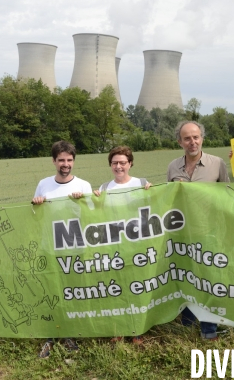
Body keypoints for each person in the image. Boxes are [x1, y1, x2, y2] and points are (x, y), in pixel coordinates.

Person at [166, 121, 229, 340]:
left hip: (209, 232)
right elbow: (168, 200)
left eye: (196, 137)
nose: (192, 142)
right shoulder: (173, 167)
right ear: (179, 141)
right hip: (182, 233)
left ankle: (209, 329)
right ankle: (186, 324)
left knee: (208, 279)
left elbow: (226, 197)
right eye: (187, 138)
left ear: (202, 138)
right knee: (186, 276)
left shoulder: (217, 163)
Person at [33, 140, 92, 357]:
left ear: (73, 162)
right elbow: (35, 216)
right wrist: (36, 204)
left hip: (76, 248)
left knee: (73, 291)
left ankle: (70, 334)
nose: (65, 164)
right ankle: (50, 335)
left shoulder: (83, 185)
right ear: (53, 161)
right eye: (61, 160)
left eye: (69, 160)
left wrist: (82, 203)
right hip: (50, 248)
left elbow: (93, 217)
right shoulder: (43, 184)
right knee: (52, 291)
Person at [93, 146, 151, 345]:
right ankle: (118, 329)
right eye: (115, 163)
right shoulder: (104, 188)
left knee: (137, 289)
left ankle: (137, 331)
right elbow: (96, 216)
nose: (119, 167)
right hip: (114, 248)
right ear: (110, 165)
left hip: (137, 248)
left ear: (130, 164)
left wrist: (154, 193)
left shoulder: (142, 184)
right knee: (116, 290)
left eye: (123, 163)